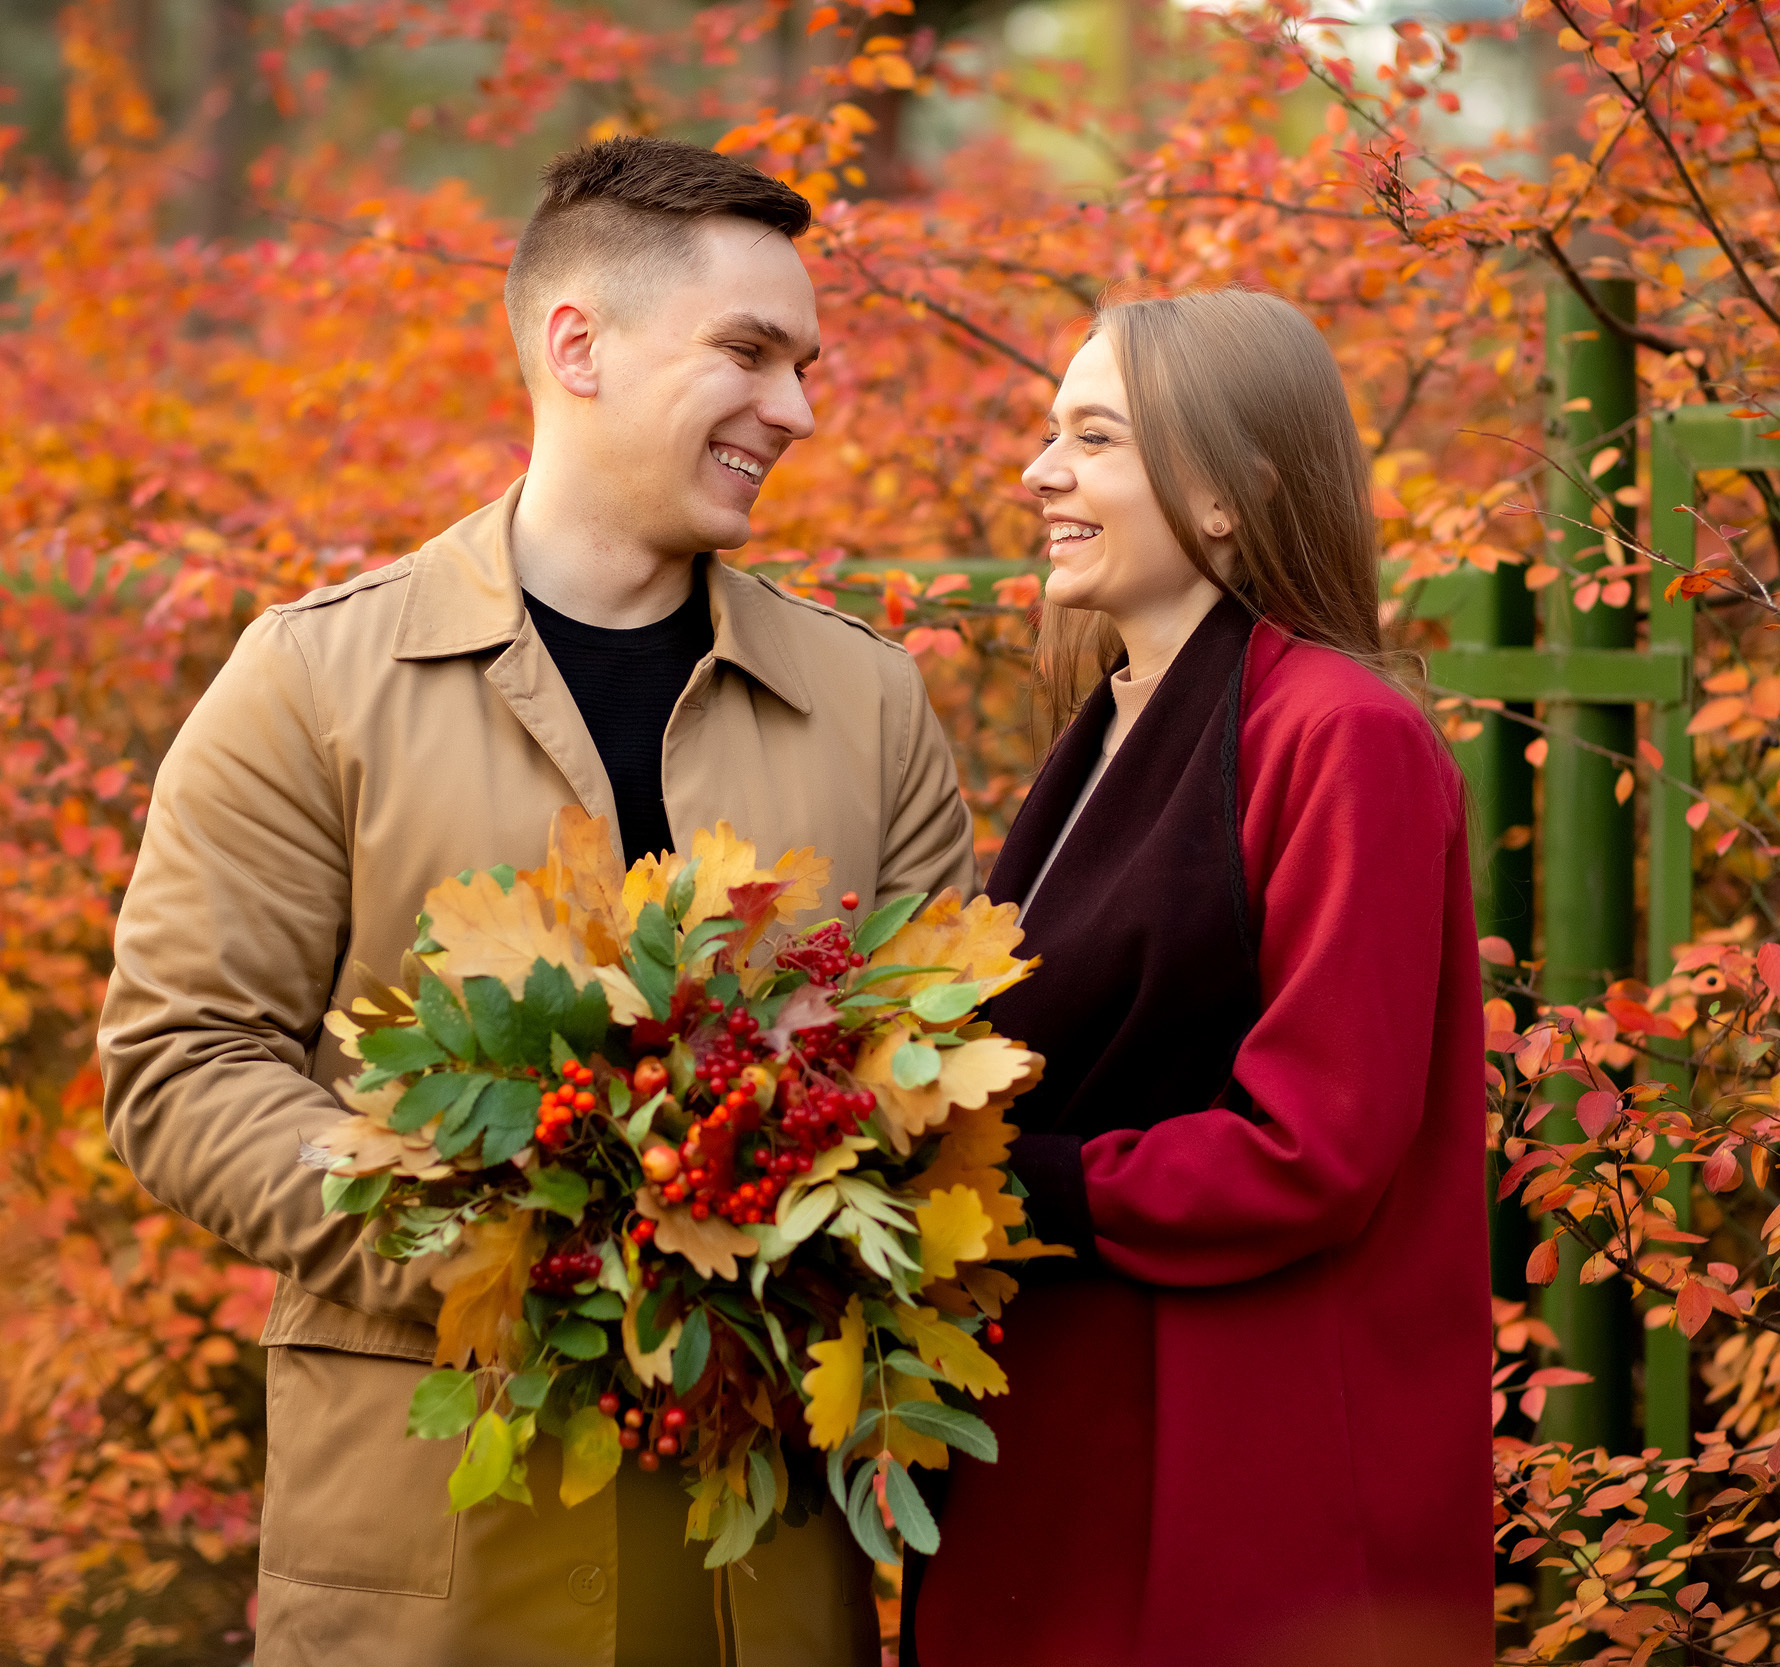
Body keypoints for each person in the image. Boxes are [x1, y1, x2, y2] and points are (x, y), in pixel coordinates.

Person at [100, 136, 975, 1667]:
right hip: (434, 1553)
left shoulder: (867, 702)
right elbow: (180, 1061)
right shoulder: (315, 683)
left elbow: (946, 1078)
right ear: (577, 343)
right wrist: (495, 1248)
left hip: (754, 1572)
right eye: (750, 353)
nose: (799, 409)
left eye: (807, 363)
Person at [905, 290, 1490, 1665]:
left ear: (1227, 495)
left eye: (1094, 438)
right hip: (1061, 1440)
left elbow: (1317, 1147)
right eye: (1052, 434)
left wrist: (1007, 1181)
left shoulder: (1343, 737)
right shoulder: (1109, 726)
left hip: (1235, 1464)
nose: (1041, 472)